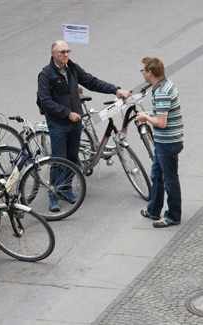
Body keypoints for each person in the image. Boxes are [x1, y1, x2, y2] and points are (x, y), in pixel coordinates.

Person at [37, 40, 131, 212]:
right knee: (59, 159)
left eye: (67, 51)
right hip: (59, 123)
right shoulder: (46, 74)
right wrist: (67, 113)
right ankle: (53, 194)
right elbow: (45, 102)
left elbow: (91, 81)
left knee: (73, 157)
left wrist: (115, 90)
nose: (65, 55)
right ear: (53, 54)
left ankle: (65, 188)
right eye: (61, 52)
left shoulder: (72, 68)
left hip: (75, 123)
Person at [136, 57, 184, 228]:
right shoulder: (162, 86)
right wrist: (150, 114)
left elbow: (162, 123)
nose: (142, 73)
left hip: (168, 142)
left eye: (143, 70)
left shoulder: (162, 91)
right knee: (156, 175)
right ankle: (153, 210)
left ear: (151, 72)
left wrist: (145, 117)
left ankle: (173, 216)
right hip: (164, 141)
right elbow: (163, 112)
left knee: (170, 179)